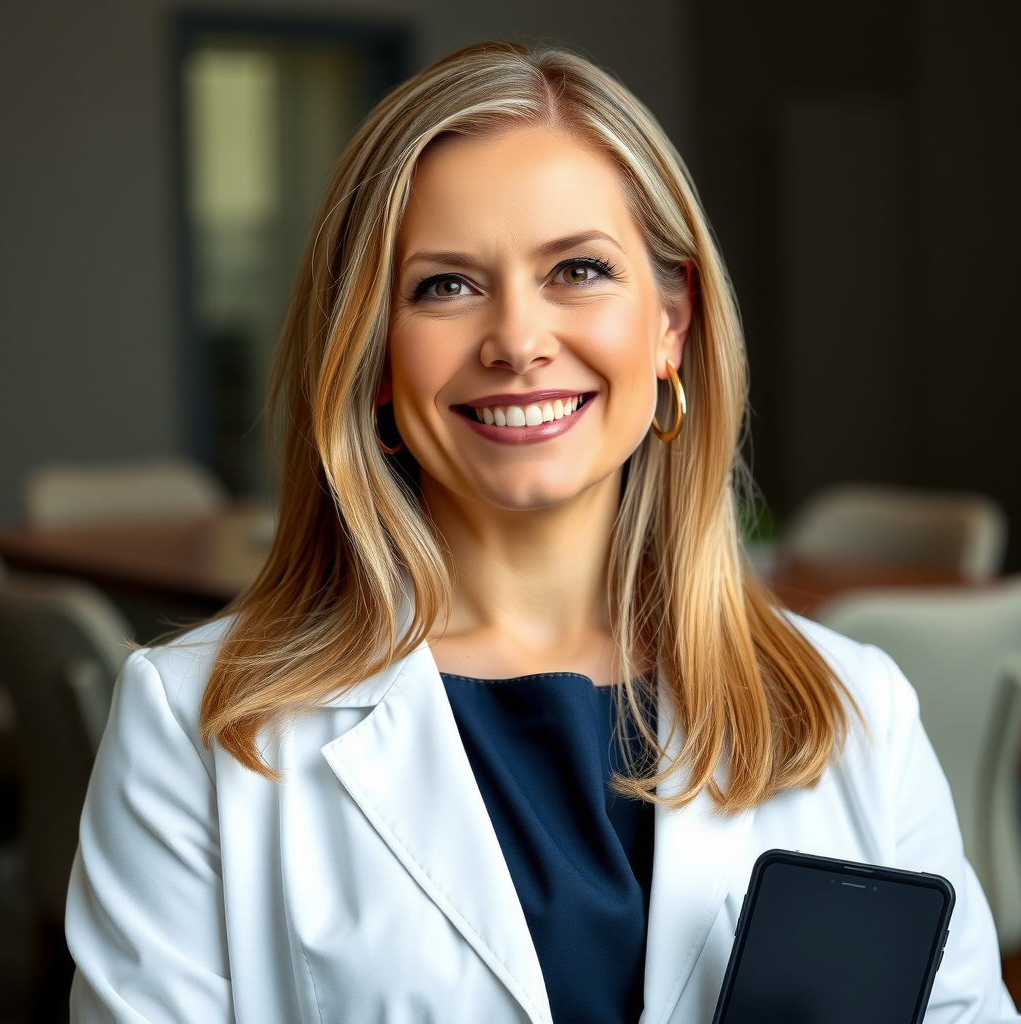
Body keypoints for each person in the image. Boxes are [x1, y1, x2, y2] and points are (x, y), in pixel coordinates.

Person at [66, 42, 1016, 1023]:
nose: (517, 340)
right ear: (374, 351)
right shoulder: (192, 727)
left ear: (668, 323)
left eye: (577, 269)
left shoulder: (857, 712)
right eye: (445, 285)